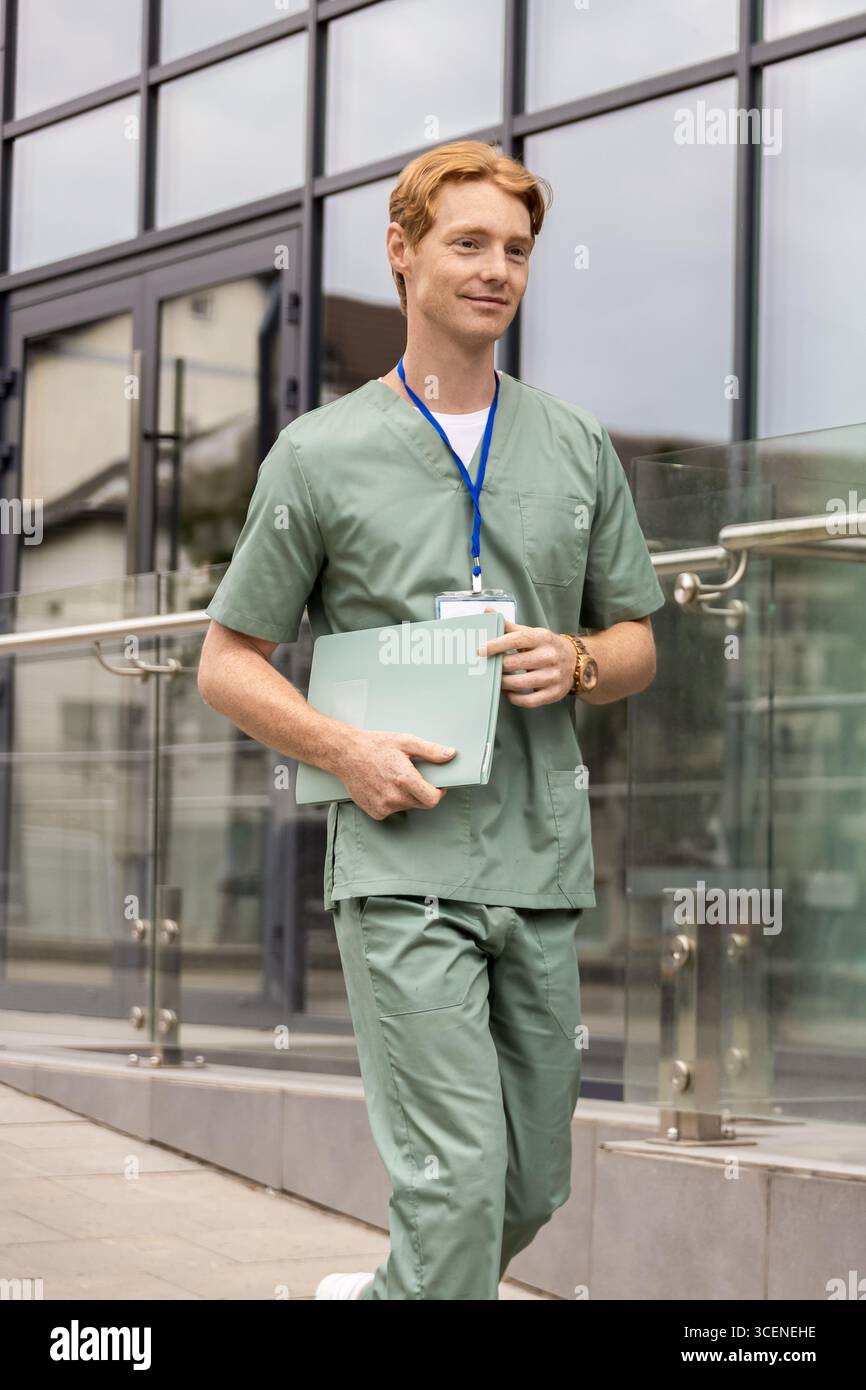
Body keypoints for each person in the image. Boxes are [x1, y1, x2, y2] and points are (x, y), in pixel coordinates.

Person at [197, 139, 665, 1300]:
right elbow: (226, 662)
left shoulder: (575, 444)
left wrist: (580, 660)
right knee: (455, 1186)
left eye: (514, 249)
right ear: (402, 255)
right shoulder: (318, 456)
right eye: (467, 243)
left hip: (541, 865)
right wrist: (341, 745)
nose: (495, 269)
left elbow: (638, 642)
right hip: (402, 867)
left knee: (531, 1185)